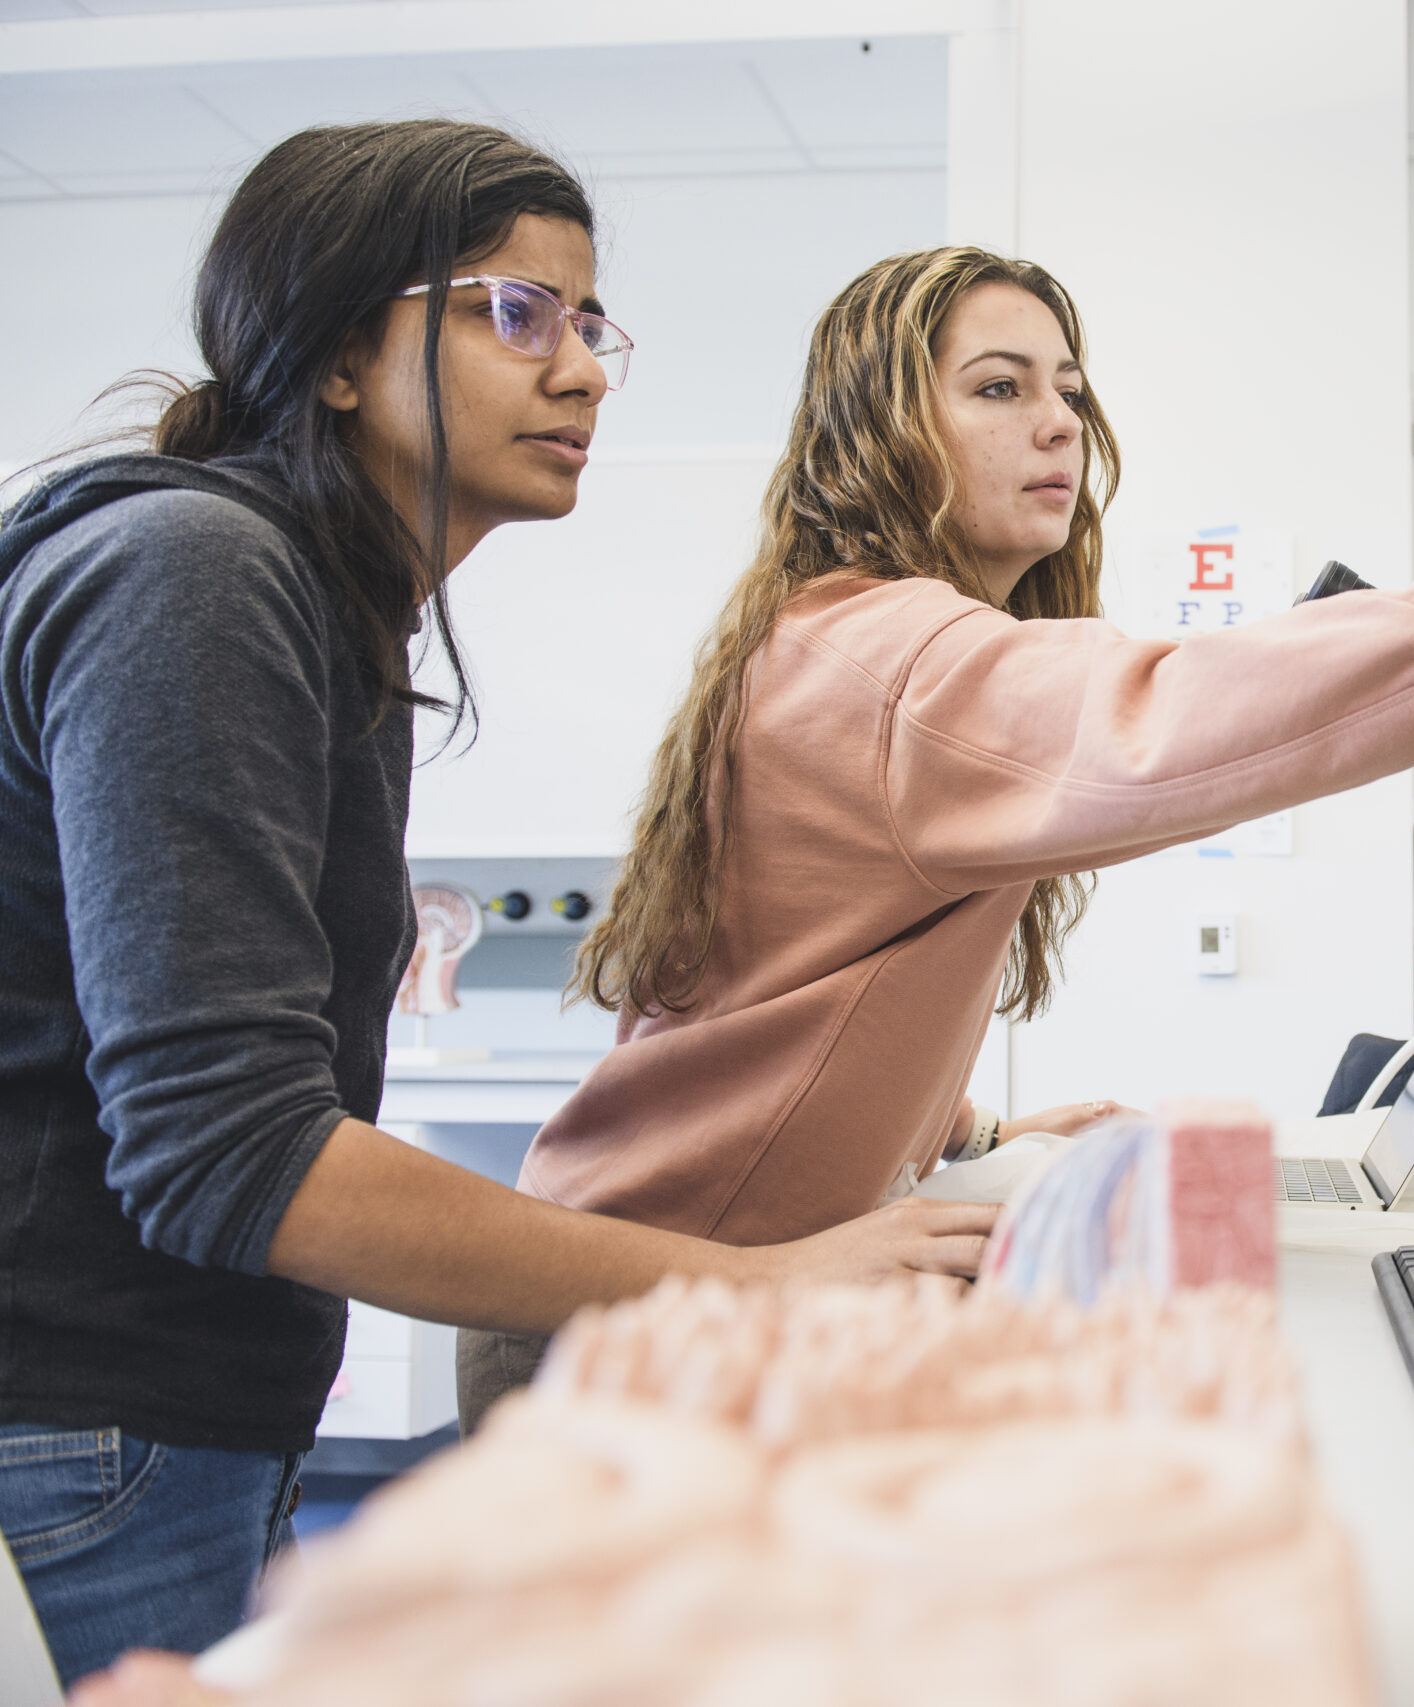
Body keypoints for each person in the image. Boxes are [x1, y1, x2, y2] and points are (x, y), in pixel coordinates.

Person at [459, 244, 1414, 1418]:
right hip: (641, 1318)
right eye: (997, 388)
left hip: (652, 1284)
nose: (1057, 422)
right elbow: (1180, 713)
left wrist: (955, 1129)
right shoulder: (888, 658)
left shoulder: (847, 642)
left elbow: (781, 994)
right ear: (875, 429)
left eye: (1066, 389)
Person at [0, 124, 997, 1688]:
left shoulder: (311, 601)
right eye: (514, 312)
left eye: (591, 323)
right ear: (340, 354)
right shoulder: (192, 575)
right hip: (82, 1422)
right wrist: (743, 1282)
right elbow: (232, 1158)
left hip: (163, 1414)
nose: (585, 370)